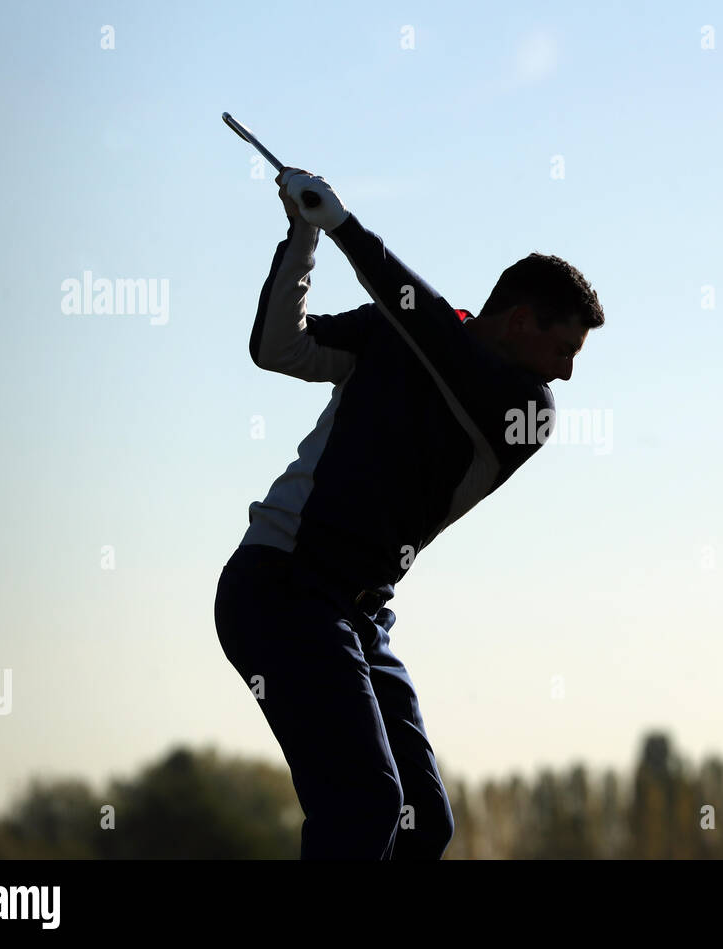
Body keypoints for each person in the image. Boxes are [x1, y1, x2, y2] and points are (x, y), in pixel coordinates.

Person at [213, 167, 604, 859]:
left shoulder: (526, 413)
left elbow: (437, 338)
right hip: (279, 586)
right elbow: (280, 348)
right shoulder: (401, 332)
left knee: (424, 818)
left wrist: (345, 228)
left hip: (357, 616)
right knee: (367, 802)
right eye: (564, 348)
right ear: (519, 319)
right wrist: (305, 234)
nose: (568, 373)